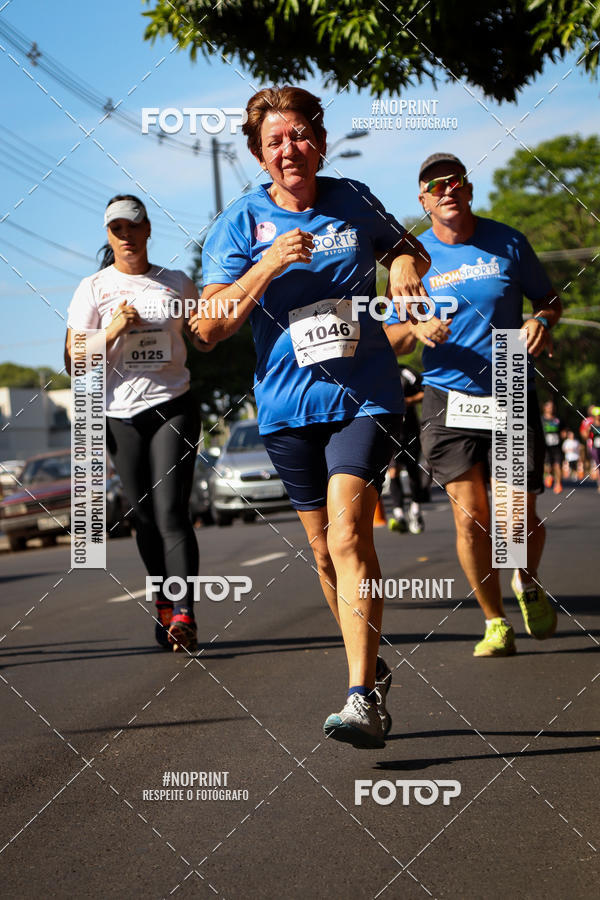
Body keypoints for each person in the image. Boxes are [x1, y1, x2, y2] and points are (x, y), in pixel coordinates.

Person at [192, 85, 432, 749]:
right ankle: (372, 669)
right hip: (286, 406)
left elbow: (407, 246)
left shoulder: (352, 198)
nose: (290, 148)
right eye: (275, 141)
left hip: (366, 393)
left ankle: (359, 698)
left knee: (352, 532)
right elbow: (207, 330)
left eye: (300, 135)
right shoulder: (240, 223)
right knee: (324, 551)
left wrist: (407, 264)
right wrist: (266, 265)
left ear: (319, 141)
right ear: (259, 155)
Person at [385, 152, 562, 657]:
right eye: (434, 186)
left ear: (468, 190)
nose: (446, 190)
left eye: (455, 182)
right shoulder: (412, 260)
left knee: (514, 520)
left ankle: (525, 580)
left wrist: (541, 323)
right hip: (446, 392)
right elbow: (390, 333)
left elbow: (550, 300)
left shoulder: (507, 241)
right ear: (423, 199)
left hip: (508, 380)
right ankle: (494, 621)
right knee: (470, 516)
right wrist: (416, 327)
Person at [64, 195, 215, 652]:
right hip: (119, 416)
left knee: (171, 511)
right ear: (109, 236)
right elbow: (74, 362)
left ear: (148, 230)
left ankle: (184, 611)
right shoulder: (93, 288)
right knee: (144, 518)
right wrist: (111, 331)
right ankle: (164, 607)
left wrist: (209, 321)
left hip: (173, 405)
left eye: (133, 227)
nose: (126, 236)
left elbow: (205, 339)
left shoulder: (176, 283)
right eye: (117, 230)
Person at [387, 365, 426, 535]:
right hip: (390, 432)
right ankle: (398, 514)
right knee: (393, 471)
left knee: (412, 470)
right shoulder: (376, 370)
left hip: (410, 430)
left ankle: (415, 510)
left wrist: (408, 401)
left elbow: (426, 392)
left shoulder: (406, 372)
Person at [541, 399, 563, 493]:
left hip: (556, 446)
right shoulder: (541, 419)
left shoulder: (557, 420)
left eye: (552, 407)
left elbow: (563, 429)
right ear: (544, 408)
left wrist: (564, 434)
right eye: (549, 407)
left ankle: (558, 484)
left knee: (557, 465)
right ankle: (548, 475)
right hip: (545, 447)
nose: (551, 409)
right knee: (547, 466)